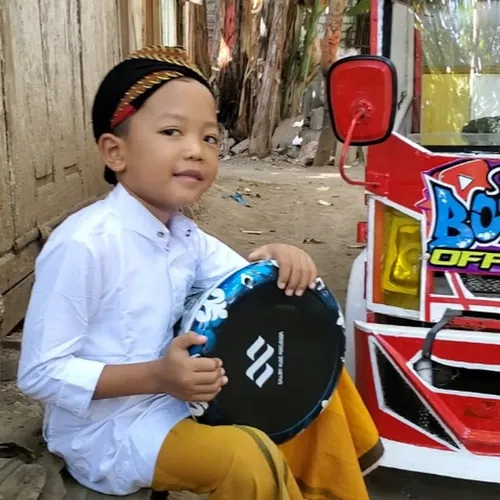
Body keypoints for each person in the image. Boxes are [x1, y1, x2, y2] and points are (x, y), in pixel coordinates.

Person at [18, 45, 383, 500]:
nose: (196, 150)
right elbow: (40, 373)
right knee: (245, 457)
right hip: (110, 430)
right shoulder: (84, 244)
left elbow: (250, 290)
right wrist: (157, 377)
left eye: (210, 138)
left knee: (313, 367)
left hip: (180, 398)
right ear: (115, 151)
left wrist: (281, 258)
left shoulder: (182, 235)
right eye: (172, 131)